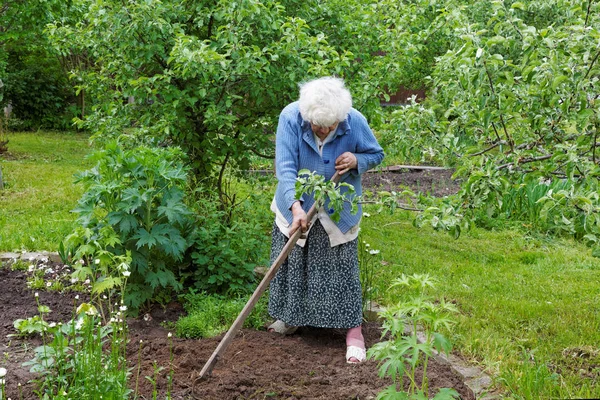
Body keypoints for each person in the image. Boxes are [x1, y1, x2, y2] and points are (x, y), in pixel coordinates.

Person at [268, 76, 384, 364]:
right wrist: (295, 207)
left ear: (339, 118)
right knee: (295, 262)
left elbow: (376, 154)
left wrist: (357, 161)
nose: (322, 131)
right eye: (317, 126)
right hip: (299, 204)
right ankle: (291, 318)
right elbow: (285, 169)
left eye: (328, 127)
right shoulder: (290, 118)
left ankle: (353, 330)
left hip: (337, 207)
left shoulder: (354, 120)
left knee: (342, 270)